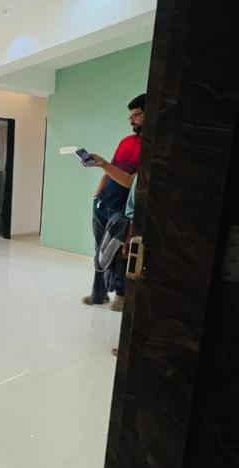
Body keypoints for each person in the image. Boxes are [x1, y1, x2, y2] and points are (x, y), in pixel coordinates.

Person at [82, 93, 145, 311]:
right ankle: (98, 294)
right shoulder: (126, 141)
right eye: (130, 116)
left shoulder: (152, 147)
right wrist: (96, 196)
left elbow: (129, 181)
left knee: (121, 253)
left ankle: (121, 295)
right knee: (99, 251)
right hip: (103, 203)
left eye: (136, 115)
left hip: (122, 209)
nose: (132, 120)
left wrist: (103, 164)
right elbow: (111, 169)